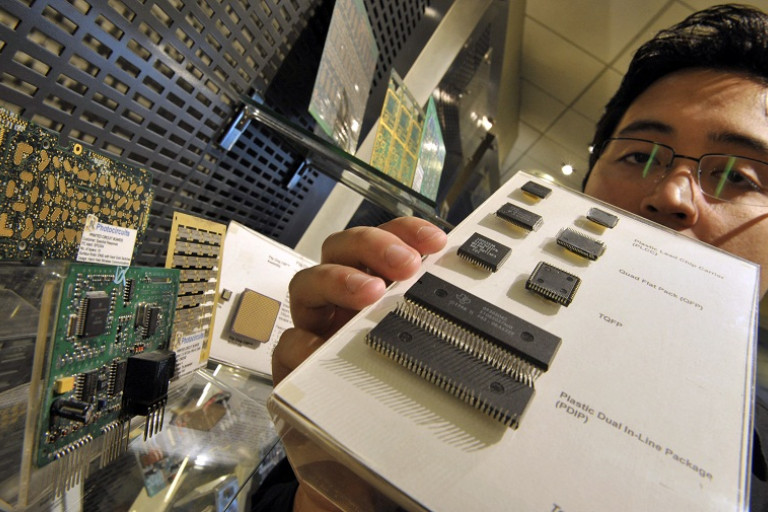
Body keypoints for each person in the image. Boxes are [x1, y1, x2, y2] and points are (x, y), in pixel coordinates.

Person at [253, 4, 768, 511]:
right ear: (588, 181)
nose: (673, 195)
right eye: (639, 155)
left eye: (738, 177)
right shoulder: (414, 295)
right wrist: (330, 489)